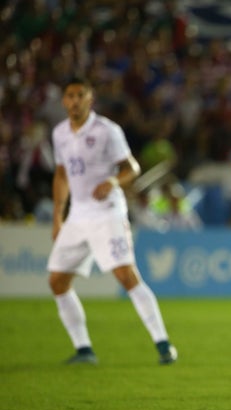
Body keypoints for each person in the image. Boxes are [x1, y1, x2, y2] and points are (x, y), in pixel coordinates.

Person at [47, 76, 178, 365]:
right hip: (78, 214)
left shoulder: (107, 130)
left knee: (126, 276)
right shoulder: (60, 134)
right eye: (70, 95)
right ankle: (84, 349)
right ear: (64, 101)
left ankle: (163, 344)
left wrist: (112, 180)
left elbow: (131, 167)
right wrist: (59, 216)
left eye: (81, 94)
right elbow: (61, 174)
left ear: (90, 99)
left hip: (107, 212)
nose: (75, 100)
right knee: (57, 280)